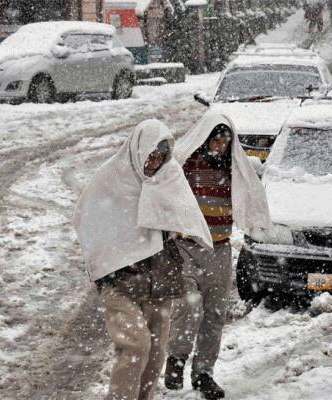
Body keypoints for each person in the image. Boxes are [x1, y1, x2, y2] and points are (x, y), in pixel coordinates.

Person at [73, 120, 213, 400]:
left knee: (156, 354)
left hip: (159, 280)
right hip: (119, 282)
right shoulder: (111, 179)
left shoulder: (167, 177)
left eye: (162, 156)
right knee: (135, 347)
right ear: (138, 150)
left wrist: (178, 228)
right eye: (151, 154)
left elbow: (184, 213)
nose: (155, 161)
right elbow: (87, 221)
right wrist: (108, 264)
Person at [164, 113, 270, 399]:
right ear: (205, 138)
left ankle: (203, 373)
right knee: (188, 306)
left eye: (225, 140)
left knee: (214, 314)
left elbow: (251, 198)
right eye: (216, 139)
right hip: (185, 247)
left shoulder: (234, 169)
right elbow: (164, 194)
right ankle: (176, 358)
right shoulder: (186, 166)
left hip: (219, 249)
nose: (220, 145)